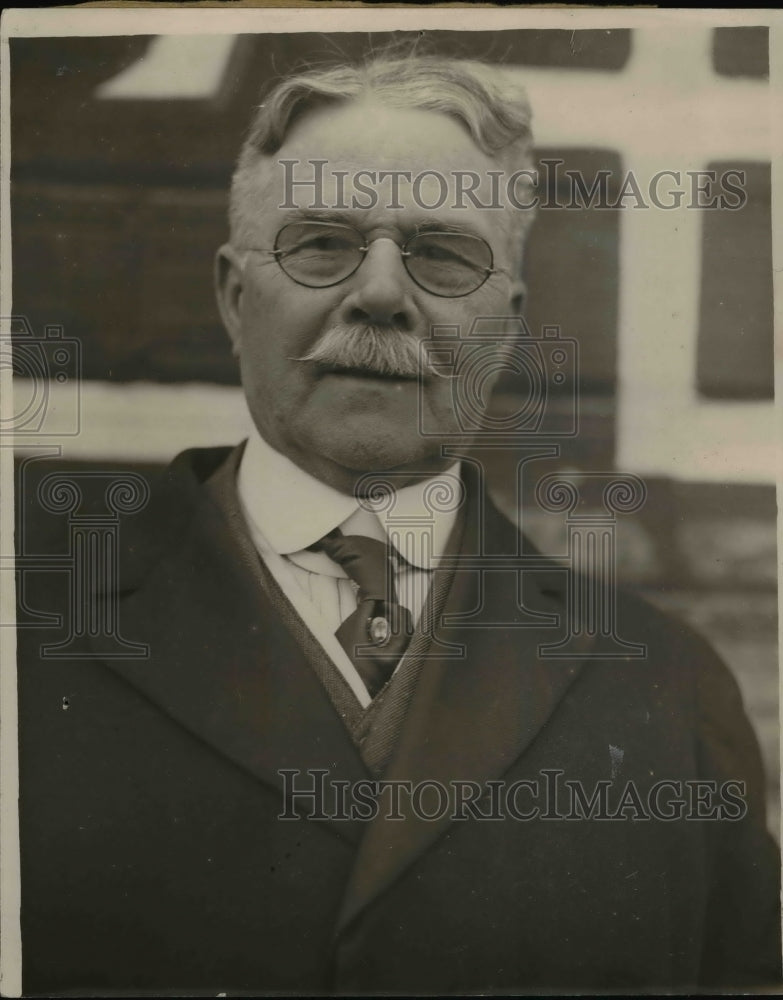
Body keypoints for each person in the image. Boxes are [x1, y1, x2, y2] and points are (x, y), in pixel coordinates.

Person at [16, 52, 781, 995]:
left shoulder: (665, 689)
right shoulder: (29, 640)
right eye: (323, 244)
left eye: (442, 254)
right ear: (233, 296)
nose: (380, 294)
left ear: (507, 324)